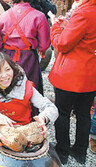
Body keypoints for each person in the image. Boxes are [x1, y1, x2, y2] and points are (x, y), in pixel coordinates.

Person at [49, 0, 96, 164]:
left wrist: (55, 27)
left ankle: (62, 150)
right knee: (83, 114)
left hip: (71, 75)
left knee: (62, 113)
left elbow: (62, 44)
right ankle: (80, 151)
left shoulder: (84, 12)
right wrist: (69, 26)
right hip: (90, 74)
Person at [0, 52, 58, 130]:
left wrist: (43, 117)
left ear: (13, 69)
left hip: (24, 130)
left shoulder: (24, 87)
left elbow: (51, 107)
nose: (5, 75)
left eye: (7, 69)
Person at [0, 0, 50, 95]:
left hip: (7, 57)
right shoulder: (39, 16)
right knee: (30, 88)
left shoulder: (3, 15)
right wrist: (42, 50)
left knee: (7, 86)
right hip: (28, 57)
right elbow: (44, 44)